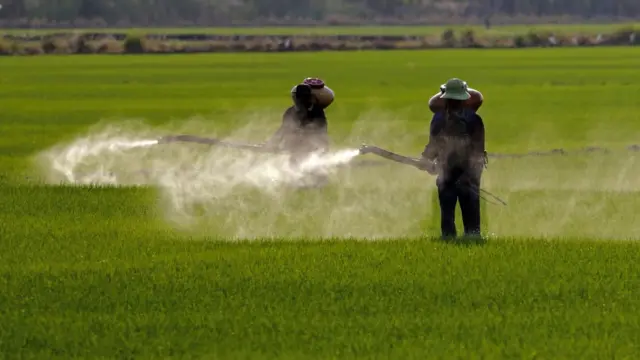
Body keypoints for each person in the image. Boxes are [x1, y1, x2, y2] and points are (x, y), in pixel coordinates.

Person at [419, 78, 487, 239]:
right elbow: (434, 143)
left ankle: (462, 237)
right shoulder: (444, 119)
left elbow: (477, 149)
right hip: (455, 171)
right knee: (458, 205)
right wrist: (426, 159)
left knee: (458, 205)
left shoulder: (468, 120)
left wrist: (468, 175)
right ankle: (460, 236)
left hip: (460, 171)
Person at [263, 78, 335, 187]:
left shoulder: (316, 112)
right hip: (296, 149)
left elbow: (319, 131)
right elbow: (283, 129)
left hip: (314, 148)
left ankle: (317, 184)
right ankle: (299, 184)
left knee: (316, 172)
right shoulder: (291, 112)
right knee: (296, 170)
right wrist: (272, 143)